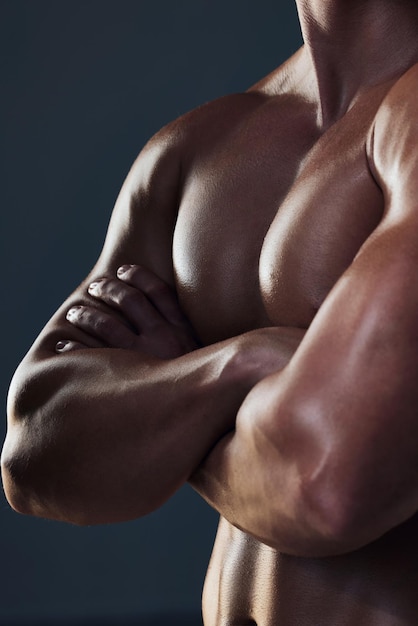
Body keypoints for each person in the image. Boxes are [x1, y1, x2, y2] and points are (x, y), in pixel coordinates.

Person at [4, 0, 418, 623]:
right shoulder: (197, 146)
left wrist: (163, 424)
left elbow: (325, 482)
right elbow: (33, 449)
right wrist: (242, 365)